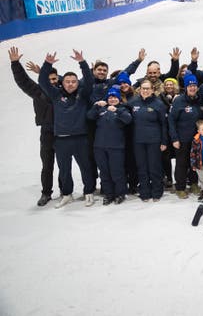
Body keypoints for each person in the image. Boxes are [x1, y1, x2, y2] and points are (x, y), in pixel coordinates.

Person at [38, 49, 95, 208]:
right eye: (67, 81)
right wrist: (47, 64)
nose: (70, 84)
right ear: (62, 83)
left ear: (78, 83)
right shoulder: (56, 95)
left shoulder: (83, 95)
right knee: (64, 169)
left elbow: (90, 81)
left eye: (73, 81)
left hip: (81, 138)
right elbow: (42, 81)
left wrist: (82, 62)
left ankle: (89, 192)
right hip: (61, 140)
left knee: (85, 167)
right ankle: (67, 194)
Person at [9, 47, 56, 206]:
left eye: (55, 79)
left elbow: (73, 81)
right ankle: (46, 193)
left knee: (65, 165)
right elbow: (23, 81)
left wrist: (43, 70)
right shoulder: (37, 92)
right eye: (49, 79)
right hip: (47, 132)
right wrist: (15, 64)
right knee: (47, 165)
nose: (52, 82)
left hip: (65, 132)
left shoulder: (65, 91)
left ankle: (66, 190)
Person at [86, 86, 132, 205]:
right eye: (110, 97)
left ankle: (120, 193)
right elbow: (90, 116)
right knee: (104, 172)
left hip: (116, 147)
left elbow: (128, 119)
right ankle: (108, 194)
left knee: (117, 171)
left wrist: (117, 110)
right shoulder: (101, 109)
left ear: (119, 99)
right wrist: (96, 106)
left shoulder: (123, 109)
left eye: (115, 97)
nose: (112, 99)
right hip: (100, 147)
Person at [128, 79, 168, 202]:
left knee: (154, 167)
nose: (145, 91)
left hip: (154, 141)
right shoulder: (133, 102)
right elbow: (122, 110)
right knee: (141, 167)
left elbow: (163, 124)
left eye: (147, 88)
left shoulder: (159, 104)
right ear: (139, 89)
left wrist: (164, 141)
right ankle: (144, 192)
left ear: (152, 90)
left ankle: (157, 192)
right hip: (138, 141)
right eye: (143, 88)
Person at [168, 73, 203, 198]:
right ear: (186, 87)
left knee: (194, 163)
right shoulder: (179, 101)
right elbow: (171, 121)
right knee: (181, 163)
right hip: (182, 139)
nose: (192, 88)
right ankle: (180, 187)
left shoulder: (199, 100)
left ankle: (194, 183)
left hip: (196, 139)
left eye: (194, 85)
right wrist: (174, 138)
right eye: (190, 86)